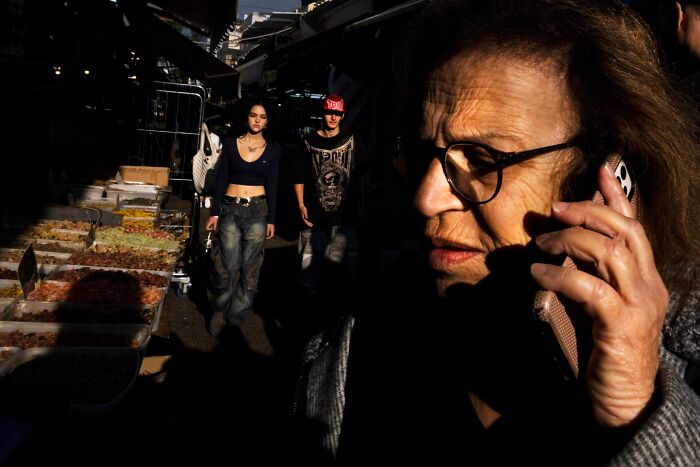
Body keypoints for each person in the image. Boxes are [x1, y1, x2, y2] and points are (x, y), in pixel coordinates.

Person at [288, 1, 700, 465]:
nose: (427, 198)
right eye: (427, 153)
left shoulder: (668, 364)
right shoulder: (369, 329)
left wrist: (637, 416)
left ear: (603, 180)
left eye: (484, 163)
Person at [206, 99, 281, 336]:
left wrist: (272, 219)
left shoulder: (273, 149)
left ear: (267, 122)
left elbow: (273, 184)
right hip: (230, 209)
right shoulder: (230, 144)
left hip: (258, 212)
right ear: (247, 118)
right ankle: (219, 309)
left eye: (262, 117)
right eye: (253, 115)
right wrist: (214, 212)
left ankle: (237, 315)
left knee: (250, 268)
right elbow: (221, 179)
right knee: (226, 266)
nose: (257, 120)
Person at [293, 93, 368, 330]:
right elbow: (299, 175)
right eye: (329, 112)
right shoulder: (307, 141)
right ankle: (311, 324)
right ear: (323, 113)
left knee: (342, 274)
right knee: (310, 275)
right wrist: (301, 204)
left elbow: (362, 175)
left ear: (342, 115)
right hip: (314, 219)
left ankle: (338, 325)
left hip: (345, 219)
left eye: (337, 113)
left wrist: (361, 205)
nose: (333, 117)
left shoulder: (353, 140)